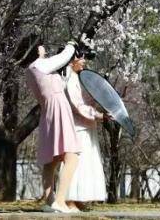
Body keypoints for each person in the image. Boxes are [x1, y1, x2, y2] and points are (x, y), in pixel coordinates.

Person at [26, 41, 81, 213]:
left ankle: (50, 201)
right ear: (36, 50)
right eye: (40, 46)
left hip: (47, 111)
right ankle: (60, 200)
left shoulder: (30, 69)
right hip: (58, 107)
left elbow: (57, 83)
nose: (43, 47)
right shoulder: (40, 64)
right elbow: (64, 56)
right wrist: (71, 44)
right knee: (72, 155)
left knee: (51, 160)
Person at [64, 50, 108, 211]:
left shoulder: (79, 78)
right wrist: (99, 115)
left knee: (86, 163)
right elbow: (77, 105)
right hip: (77, 127)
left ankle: (78, 198)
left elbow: (87, 100)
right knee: (76, 163)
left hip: (87, 125)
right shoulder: (69, 79)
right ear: (71, 61)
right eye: (80, 58)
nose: (83, 61)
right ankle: (69, 199)